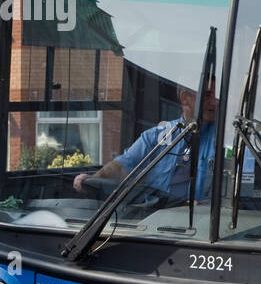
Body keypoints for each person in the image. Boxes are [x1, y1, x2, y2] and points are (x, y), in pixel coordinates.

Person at [73, 80, 219, 204]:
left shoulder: (224, 139)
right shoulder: (158, 136)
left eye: (216, 96)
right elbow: (122, 165)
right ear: (185, 98)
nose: (214, 102)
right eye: (207, 96)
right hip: (153, 221)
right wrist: (94, 179)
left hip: (201, 223)